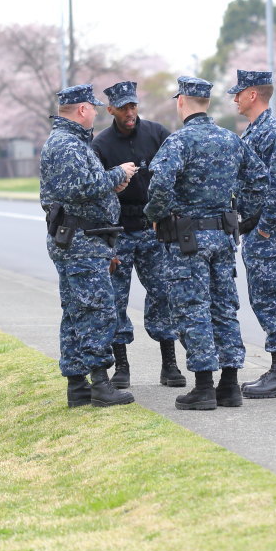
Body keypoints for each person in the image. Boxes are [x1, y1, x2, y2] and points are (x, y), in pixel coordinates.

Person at [145, 76, 266, 411]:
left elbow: (159, 186)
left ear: (181, 101)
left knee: (193, 308)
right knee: (224, 308)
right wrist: (244, 220)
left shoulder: (179, 142)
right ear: (207, 102)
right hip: (224, 236)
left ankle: (203, 387)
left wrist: (155, 214)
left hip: (187, 240)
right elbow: (259, 180)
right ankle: (229, 385)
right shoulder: (231, 140)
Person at [40, 84, 138, 408]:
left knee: (76, 311)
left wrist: (111, 186)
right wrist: (116, 175)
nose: (96, 112)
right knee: (96, 309)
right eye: (93, 107)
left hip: (79, 238)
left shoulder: (70, 142)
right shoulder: (68, 144)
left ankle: (77, 385)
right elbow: (80, 188)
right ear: (82, 110)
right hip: (82, 241)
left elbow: (83, 188)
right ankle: (99, 384)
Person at [91, 80, 183, 389]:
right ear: (111, 110)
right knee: (116, 299)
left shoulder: (156, 134)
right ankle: (122, 366)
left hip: (153, 230)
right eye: (124, 107)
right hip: (120, 231)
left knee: (162, 294)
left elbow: (176, 174)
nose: (130, 112)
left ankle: (169, 365)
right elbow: (99, 195)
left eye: (133, 106)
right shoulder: (101, 145)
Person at [228, 70, 276, 399]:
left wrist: (267, 228)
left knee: (272, 300)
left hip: (267, 231)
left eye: (239, 93)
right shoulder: (256, 130)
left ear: (252, 94)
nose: (235, 99)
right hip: (255, 228)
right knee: (263, 299)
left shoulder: (272, 132)